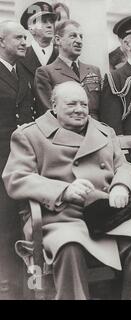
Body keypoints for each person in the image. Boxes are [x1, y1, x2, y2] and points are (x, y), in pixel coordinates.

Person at [2, 81, 131, 300]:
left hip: (107, 215)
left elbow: (124, 166)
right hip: (59, 218)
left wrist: (121, 186)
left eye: (84, 104)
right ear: (54, 106)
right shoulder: (30, 135)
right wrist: (63, 190)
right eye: (71, 104)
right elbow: (16, 178)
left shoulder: (104, 132)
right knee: (70, 246)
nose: (79, 109)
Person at [0, 20, 38, 300]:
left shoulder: (26, 73)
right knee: (4, 224)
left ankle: (27, 288)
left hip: (23, 159)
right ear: (2, 42)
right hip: (1, 160)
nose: (25, 42)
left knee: (25, 221)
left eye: (26, 37)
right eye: (19, 38)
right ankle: (8, 289)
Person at [34, 19, 102, 119]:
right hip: (66, 131)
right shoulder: (46, 73)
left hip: (94, 130)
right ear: (58, 40)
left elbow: (103, 109)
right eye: (73, 36)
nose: (79, 41)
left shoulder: (94, 70)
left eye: (81, 37)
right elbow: (49, 112)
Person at [18, 2, 58, 78]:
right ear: (31, 29)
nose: (50, 25)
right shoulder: (20, 57)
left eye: (51, 21)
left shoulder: (63, 55)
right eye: (44, 21)